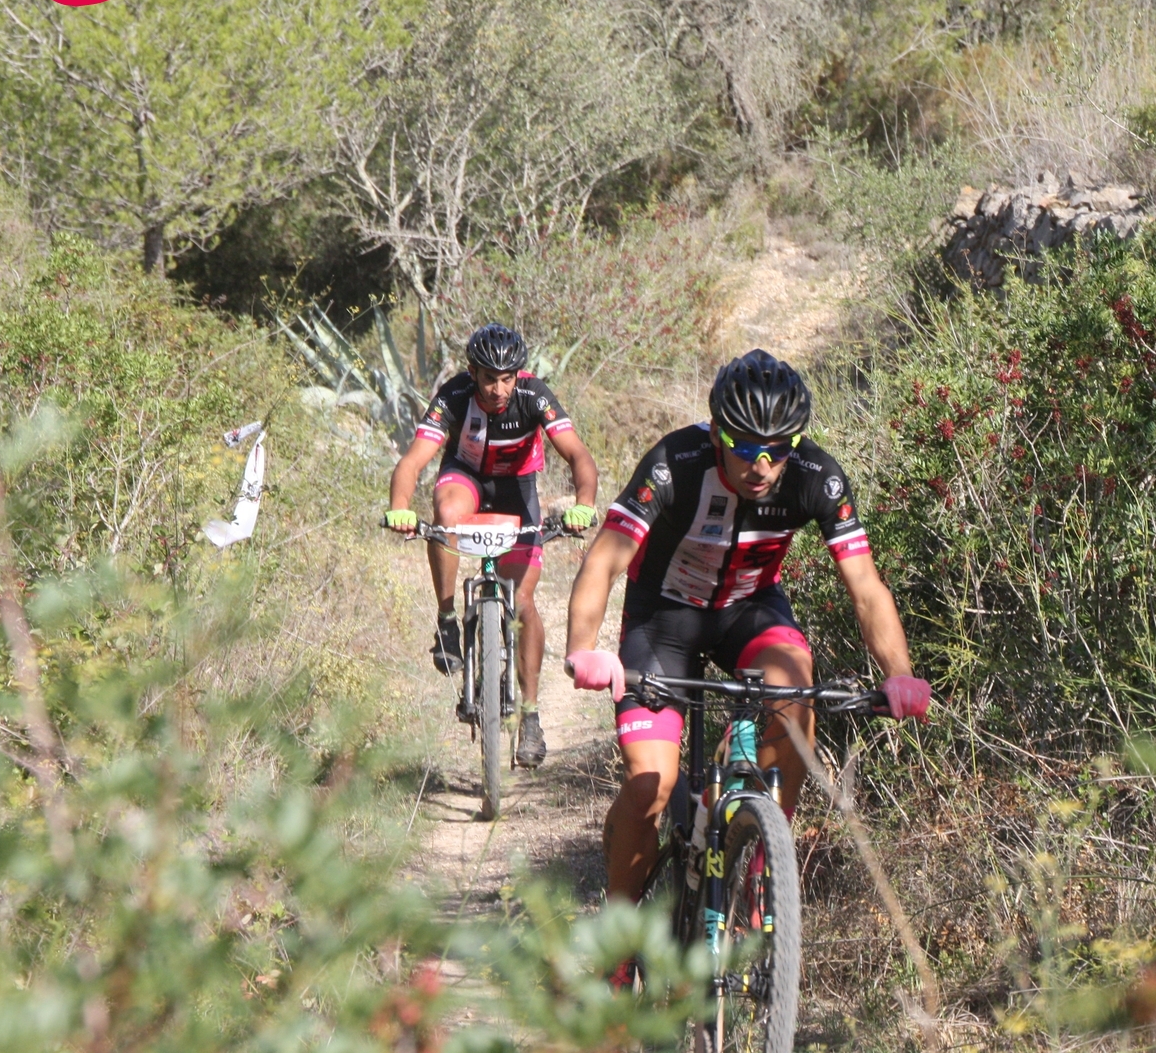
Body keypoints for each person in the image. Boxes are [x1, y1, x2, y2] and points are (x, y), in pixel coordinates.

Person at [563, 348, 930, 905]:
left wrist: (898, 672)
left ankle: (763, 866)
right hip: (662, 617)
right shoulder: (673, 463)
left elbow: (865, 586)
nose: (761, 465)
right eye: (744, 447)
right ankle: (618, 926)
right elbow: (604, 560)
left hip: (749, 609)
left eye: (777, 449)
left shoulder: (817, 477)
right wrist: (583, 648)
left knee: (795, 690)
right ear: (717, 433)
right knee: (649, 787)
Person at [384, 323, 599, 768]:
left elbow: (577, 454)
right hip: (465, 477)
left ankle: (531, 715)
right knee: (446, 515)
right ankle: (447, 619)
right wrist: (400, 508)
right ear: (472, 373)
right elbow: (413, 460)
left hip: (517, 489)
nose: (498, 390)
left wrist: (584, 504)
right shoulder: (454, 396)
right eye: (488, 379)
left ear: (518, 375)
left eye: (507, 379)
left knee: (522, 601)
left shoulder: (534, 395)